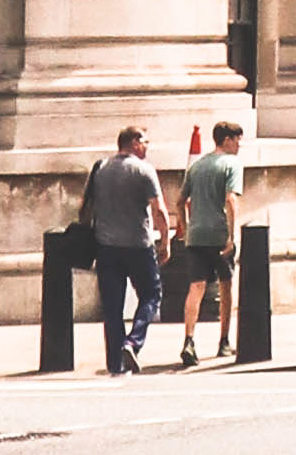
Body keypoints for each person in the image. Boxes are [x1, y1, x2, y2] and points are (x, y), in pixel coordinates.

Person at [84, 126, 167, 376]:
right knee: (151, 295)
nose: (147, 147)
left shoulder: (101, 168)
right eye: (144, 142)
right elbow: (159, 209)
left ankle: (115, 363)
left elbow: (87, 206)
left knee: (112, 307)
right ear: (133, 142)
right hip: (138, 246)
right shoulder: (144, 170)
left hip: (106, 246)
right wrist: (166, 241)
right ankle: (133, 342)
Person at [172, 118, 244, 367]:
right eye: (237, 140)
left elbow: (179, 201)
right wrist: (231, 237)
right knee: (226, 287)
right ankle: (224, 341)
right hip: (218, 233)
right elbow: (231, 200)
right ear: (227, 140)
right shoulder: (232, 164)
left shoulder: (197, 166)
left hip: (196, 235)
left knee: (196, 287)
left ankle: (188, 340)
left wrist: (185, 227)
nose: (239, 145)